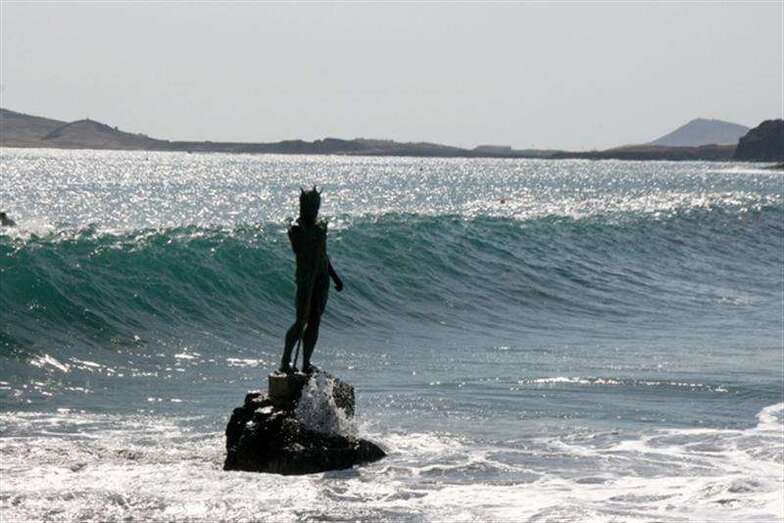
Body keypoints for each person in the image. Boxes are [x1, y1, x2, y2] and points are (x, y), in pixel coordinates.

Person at [280, 187, 343, 374]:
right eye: (311, 207)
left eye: (317, 207)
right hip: (306, 278)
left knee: (315, 321)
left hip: (322, 278)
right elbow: (299, 250)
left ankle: (306, 362)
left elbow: (324, 256)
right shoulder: (296, 229)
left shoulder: (321, 228)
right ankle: (285, 360)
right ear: (303, 207)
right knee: (301, 321)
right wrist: (309, 236)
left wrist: (335, 277)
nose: (314, 211)